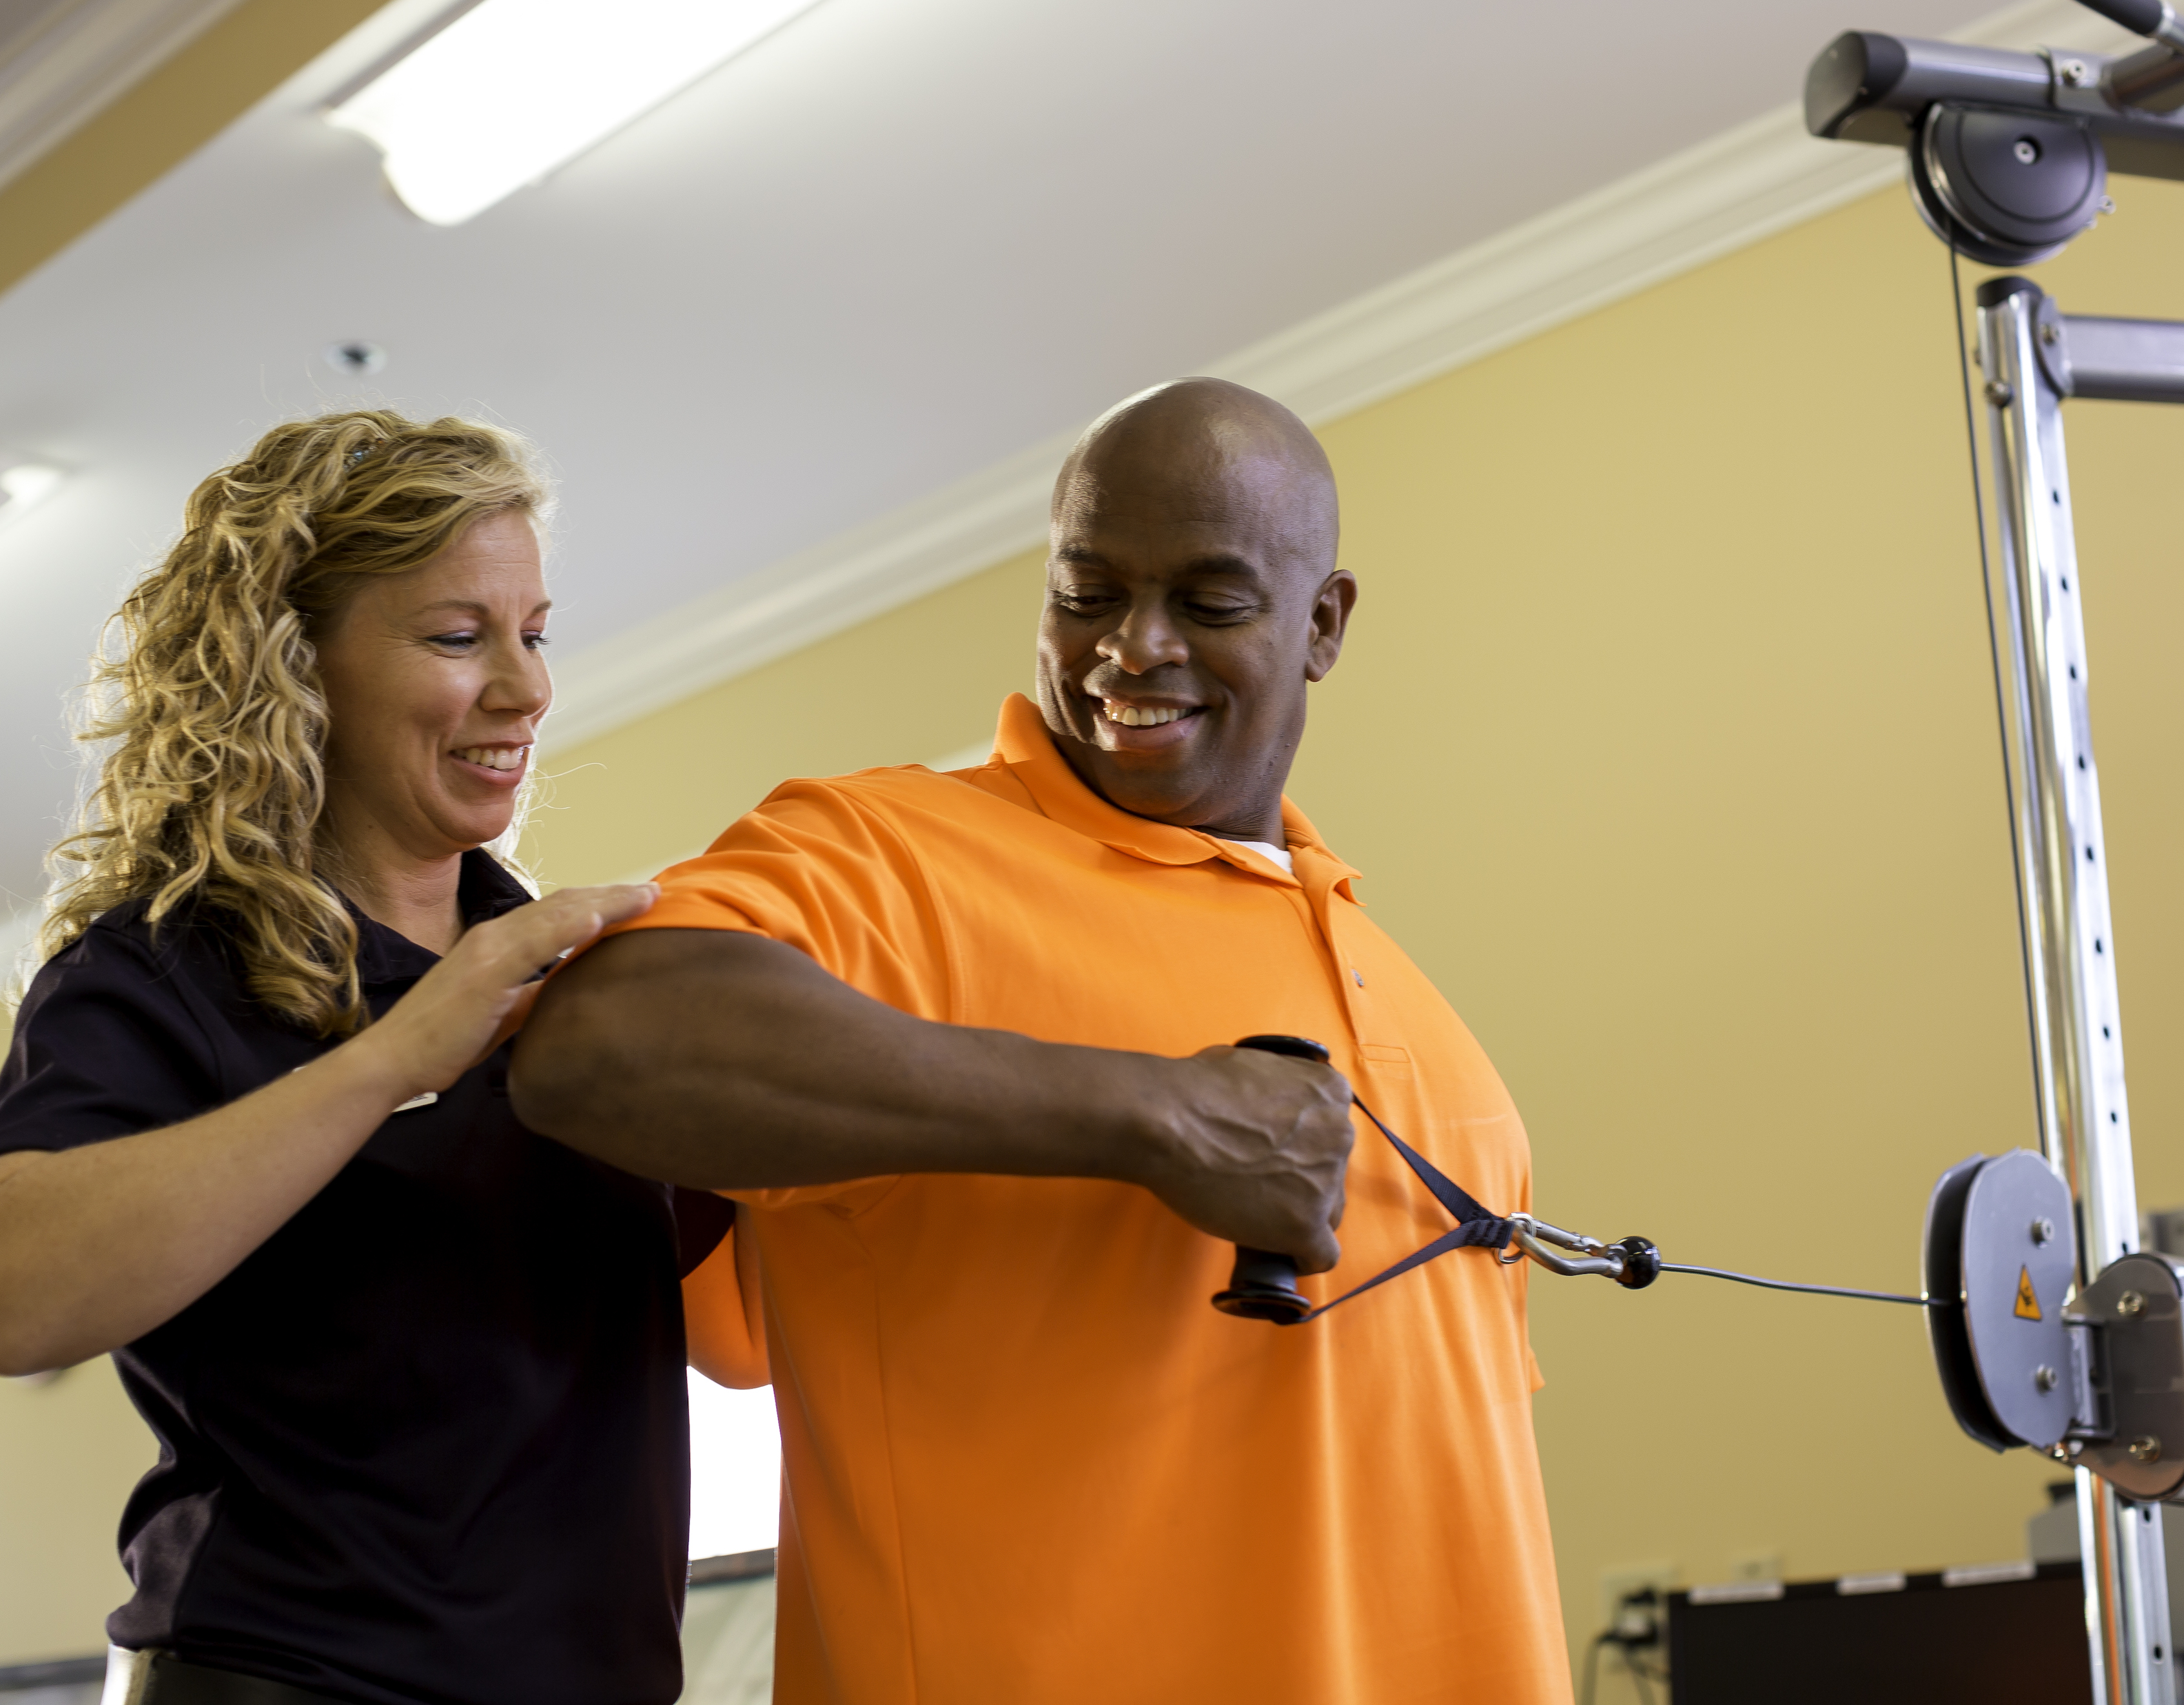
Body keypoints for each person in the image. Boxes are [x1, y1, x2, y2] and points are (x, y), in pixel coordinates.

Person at [512, 378, 1571, 1701]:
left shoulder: (1419, 1007)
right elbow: (604, 1040)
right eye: (1085, 592)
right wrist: (1153, 1112)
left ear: (1323, 624)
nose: (1132, 647)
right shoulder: (887, 851)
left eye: (1209, 601)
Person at [0, 413, 738, 1705]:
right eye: (456, 636)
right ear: (294, 668)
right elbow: (11, 1295)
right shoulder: (164, 970)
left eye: (532, 632)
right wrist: (396, 1058)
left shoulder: (564, 985)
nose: (526, 688)